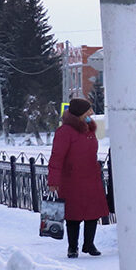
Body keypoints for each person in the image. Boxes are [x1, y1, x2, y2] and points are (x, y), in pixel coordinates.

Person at [46, 98, 110, 258]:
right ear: (81, 113)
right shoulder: (65, 132)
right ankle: (72, 247)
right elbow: (57, 157)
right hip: (71, 180)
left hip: (91, 177)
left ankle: (89, 244)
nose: (92, 113)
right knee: (73, 216)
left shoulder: (89, 128)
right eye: (89, 110)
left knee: (93, 213)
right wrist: (53, 181)